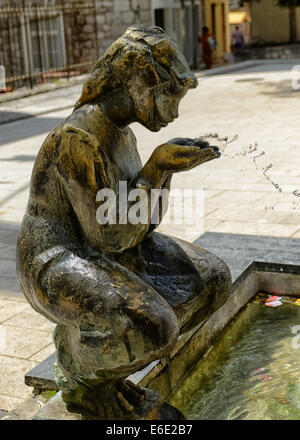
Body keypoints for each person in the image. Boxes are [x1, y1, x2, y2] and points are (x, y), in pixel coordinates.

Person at [16, 26, 231, 418]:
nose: (174, 112)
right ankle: (83, 377)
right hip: (57, 256)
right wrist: (156, 168)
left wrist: (162, 173)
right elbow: (110, 235)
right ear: (138, 85)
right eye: (169, 97)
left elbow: (140, 224)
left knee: (214, 279)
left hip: (107, 244)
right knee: (153, 328)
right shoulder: (78, 136)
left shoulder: (123, 135)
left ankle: (104, 361)